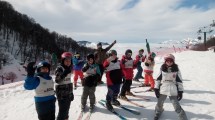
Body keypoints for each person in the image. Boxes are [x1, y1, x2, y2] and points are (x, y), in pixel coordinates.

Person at [154, 54, 188, 120]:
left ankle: (182, 118)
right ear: (165, 61)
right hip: (163, 88)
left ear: (173, 61)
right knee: (159, 103)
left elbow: (179, 81)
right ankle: (158, 112)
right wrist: (156, 88)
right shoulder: (162, 69)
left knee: (176, 105)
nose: (169, 62)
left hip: (173, 89)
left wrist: (180, 91)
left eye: (171, 61)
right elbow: (158, 79)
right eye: (167, 61)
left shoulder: (176, 69)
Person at [55, 52, 74, 120]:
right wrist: (64, 73)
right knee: (62, 112)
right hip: (62, 95)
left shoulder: (68, 69)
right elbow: (57, 80)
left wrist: (71, 93)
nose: (68, 62)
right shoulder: (60, 68)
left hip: (67, 93)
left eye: (69, 61)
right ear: (63, 60)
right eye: (66, 61)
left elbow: (68, 82)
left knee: (66, 110)